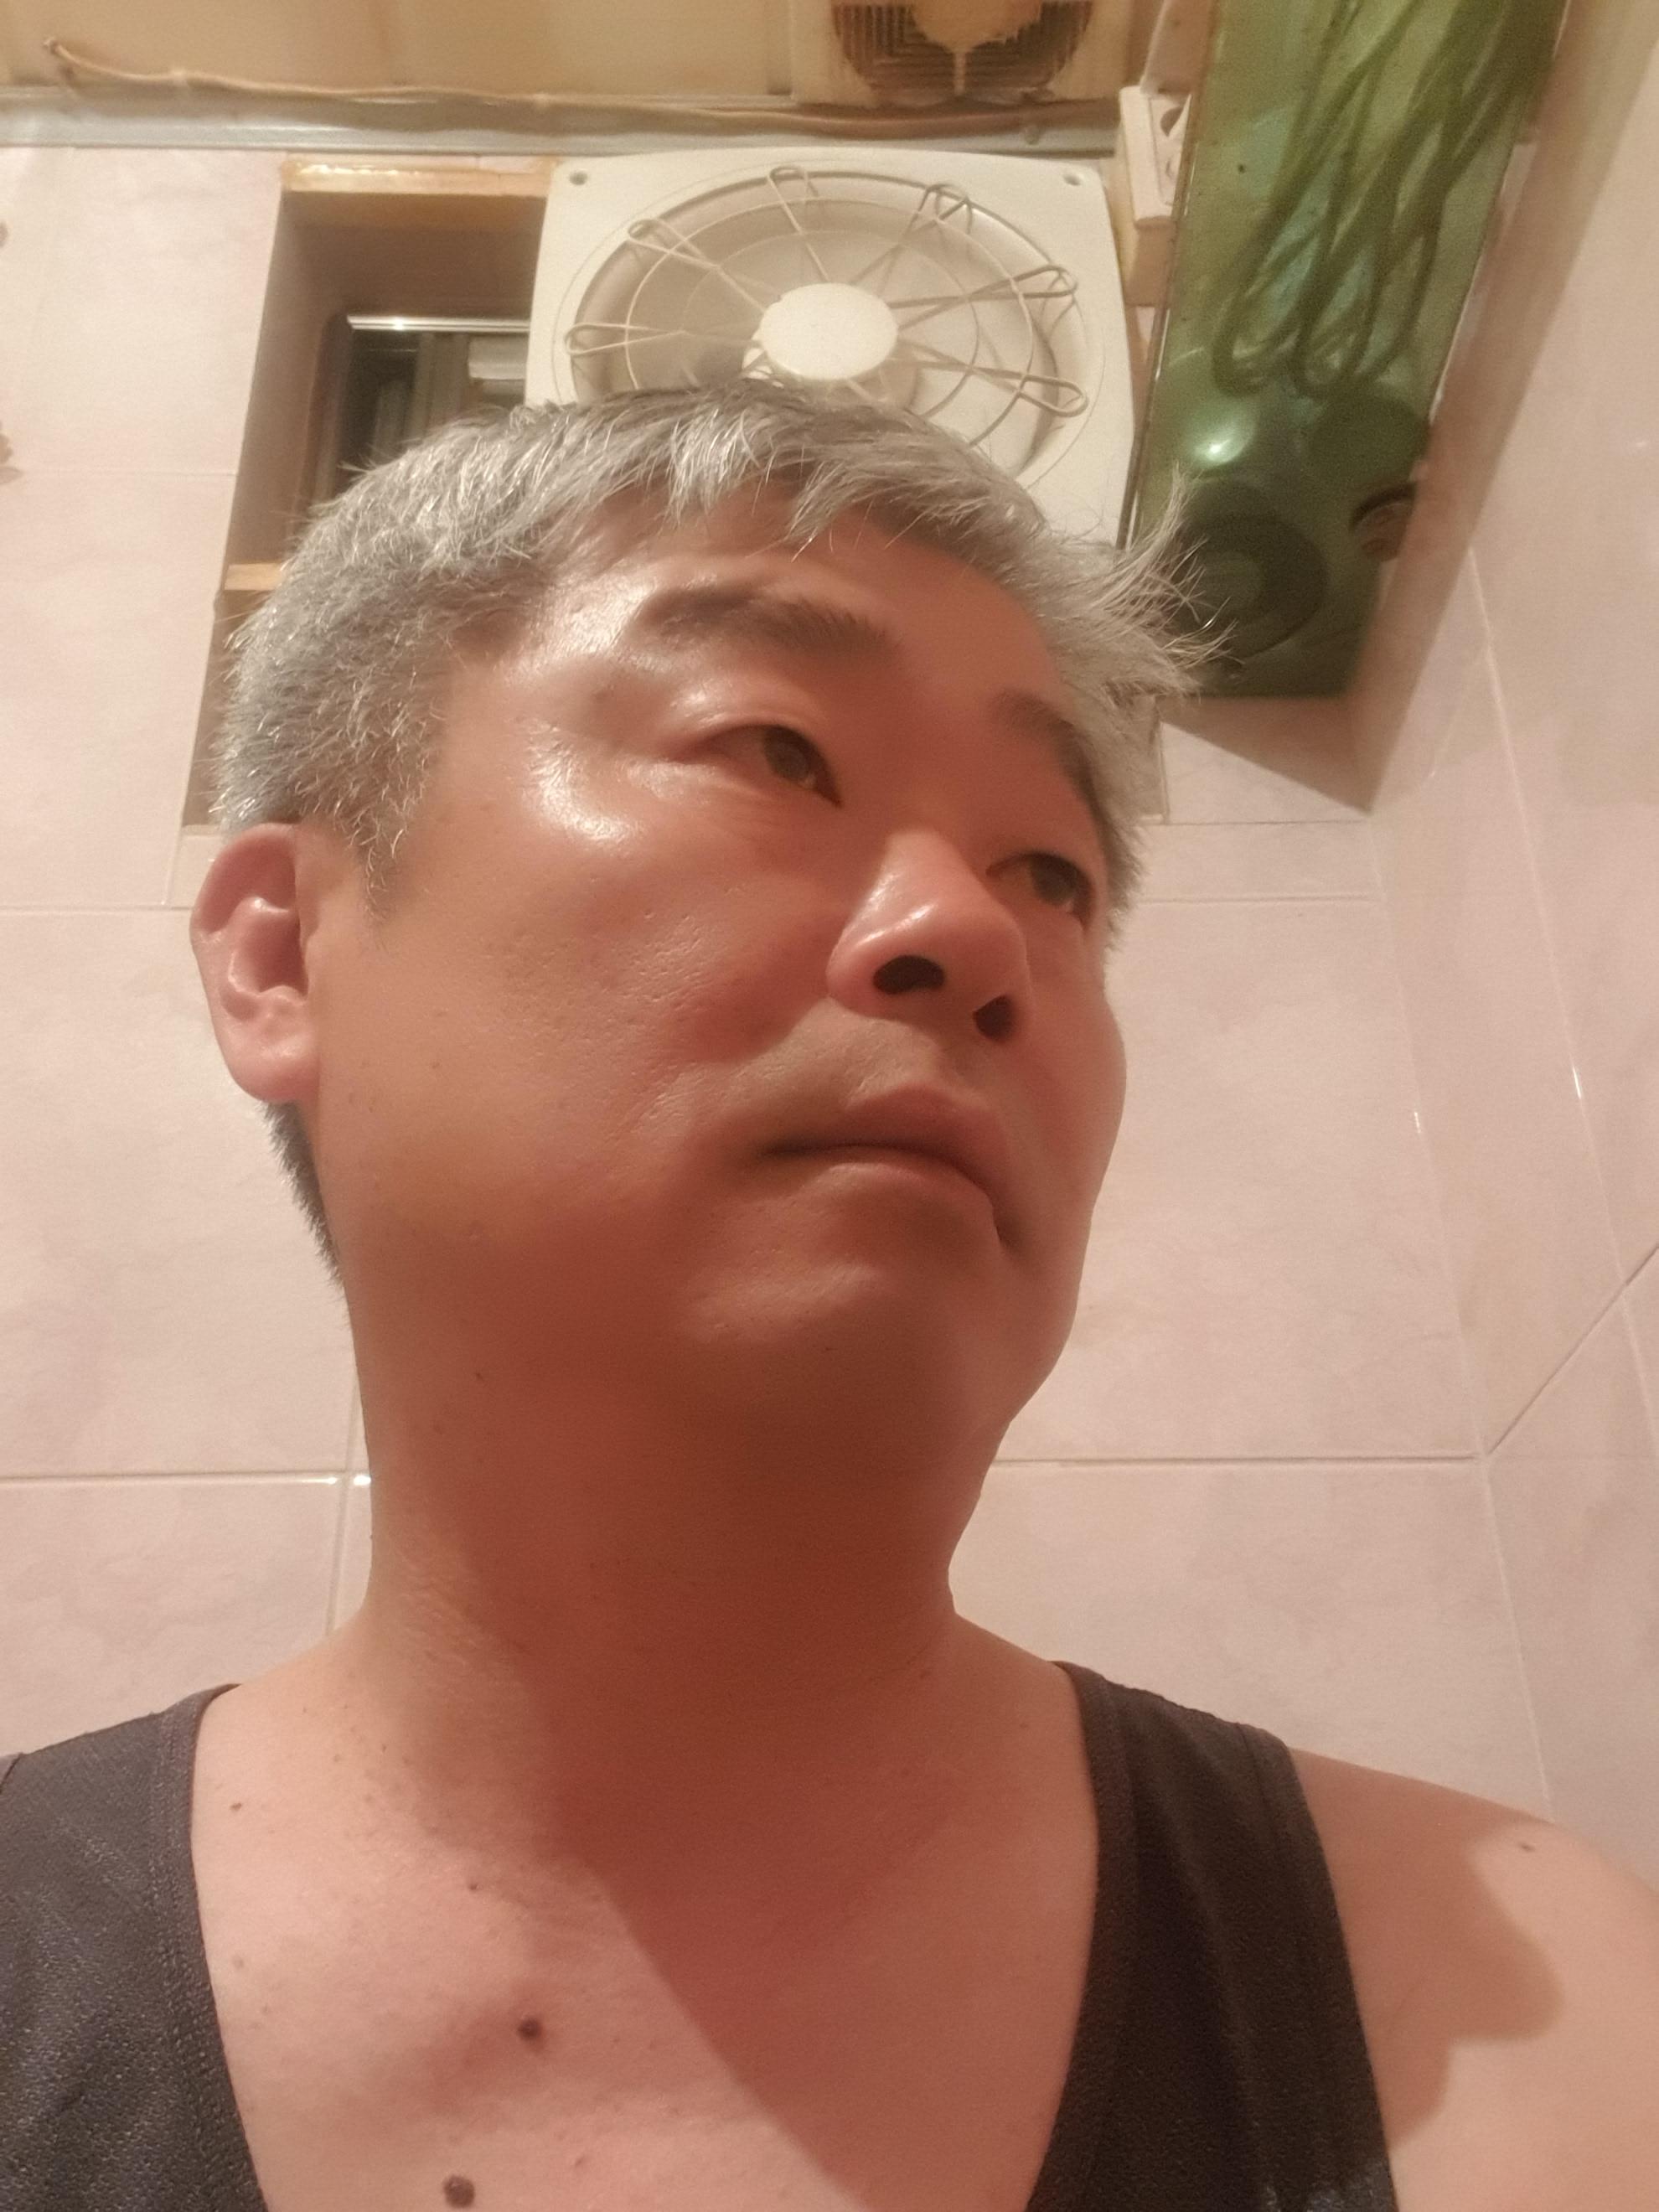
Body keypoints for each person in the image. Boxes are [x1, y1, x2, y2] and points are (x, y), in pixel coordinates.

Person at [3, 384, 1655, 2212]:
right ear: (281, 953)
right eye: (773, 749)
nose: (973, 932)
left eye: (1054, 873)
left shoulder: (1537, 2034)